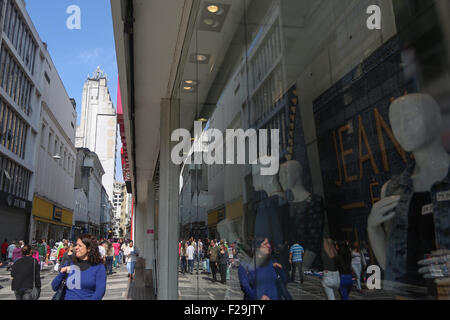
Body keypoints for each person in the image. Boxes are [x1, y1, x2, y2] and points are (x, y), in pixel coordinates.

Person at [51, 235, 106, 300]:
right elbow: (54, 287)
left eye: (80, 246)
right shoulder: (70, 263)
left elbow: (99, 293)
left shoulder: (98, 267)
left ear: (89, 249)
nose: (76, 247)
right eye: (76, 245)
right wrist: (62, 272)